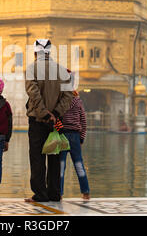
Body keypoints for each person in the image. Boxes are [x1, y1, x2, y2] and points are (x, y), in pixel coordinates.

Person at [24, 39, 73, 202]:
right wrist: (56, 113)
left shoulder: (32, 69)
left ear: (35, 53)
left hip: (38, 121)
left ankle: (40, 194)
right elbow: (68, 95)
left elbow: (34, 93)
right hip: (56, 122)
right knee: (54, 158)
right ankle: (54, 193)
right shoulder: (62, 71)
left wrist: (45, 114)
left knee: (37, 158)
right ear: (50, 53)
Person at [59, 72, 90, 200]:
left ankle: (59, 193)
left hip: (63, 135)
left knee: (61, 166)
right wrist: (82, 137)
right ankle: (85, 192)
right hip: (75, 136)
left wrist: (58, 130)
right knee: (79, 164)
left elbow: (57, 119)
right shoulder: (78, 100)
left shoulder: (60, 100)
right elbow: (83, 120)